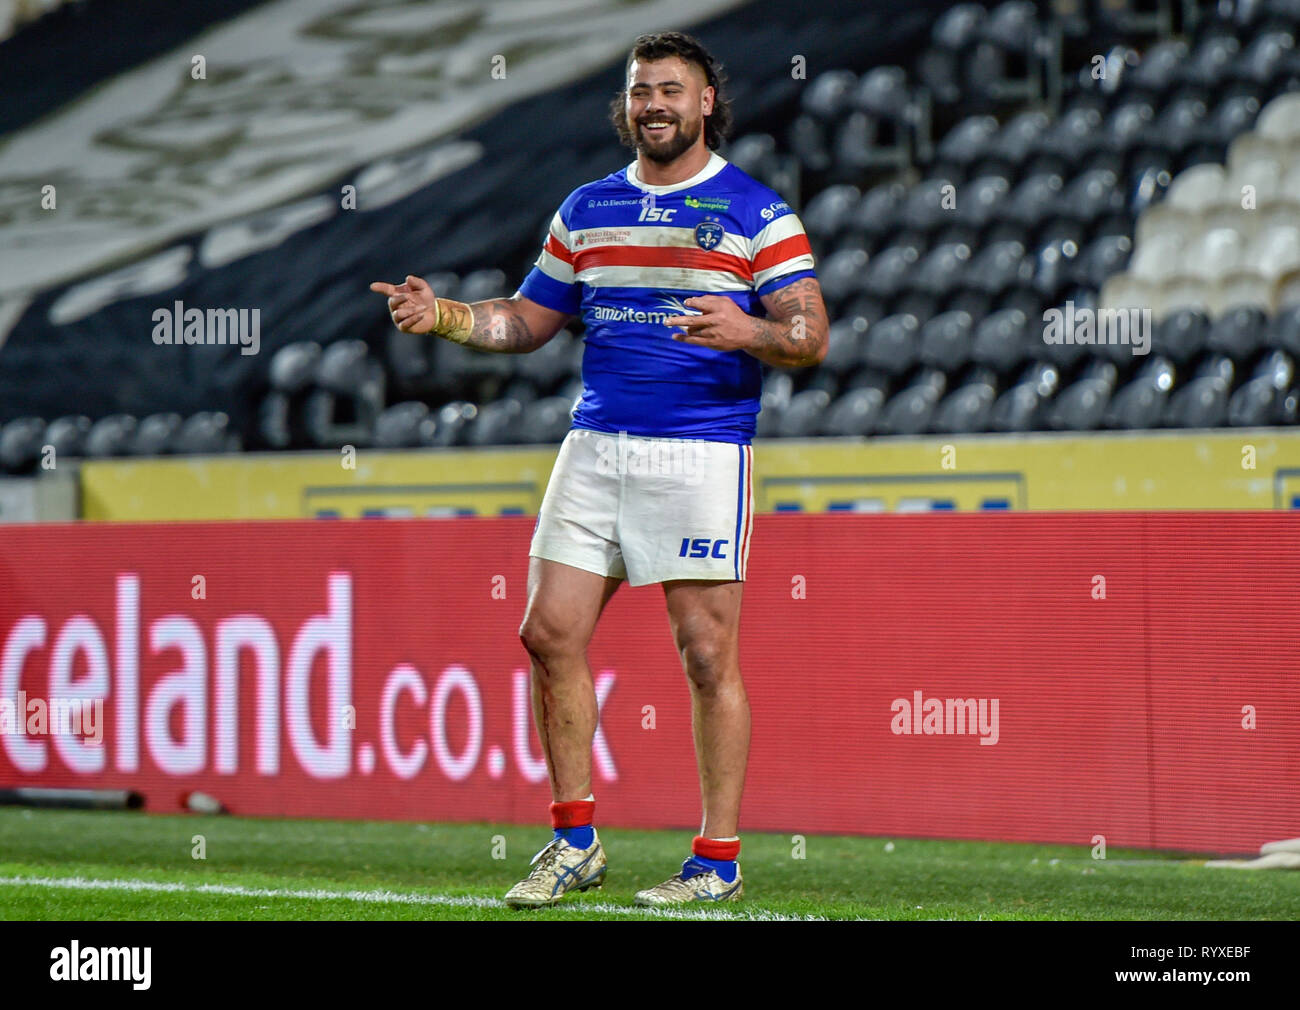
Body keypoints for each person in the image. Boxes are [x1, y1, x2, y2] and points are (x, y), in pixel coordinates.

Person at [370, 30, 827, 907]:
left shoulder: (758, 213)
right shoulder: (584, 209)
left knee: (704, 655)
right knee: (546, 635)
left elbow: (810, 335)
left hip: (698, 452)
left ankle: (717, 861)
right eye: (639, 91)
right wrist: (449, 319)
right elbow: (528, 321)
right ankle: (574, 842)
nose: (653, 104)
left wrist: (751, 333)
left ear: (705, 104)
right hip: (594, 447)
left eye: (670, 90)